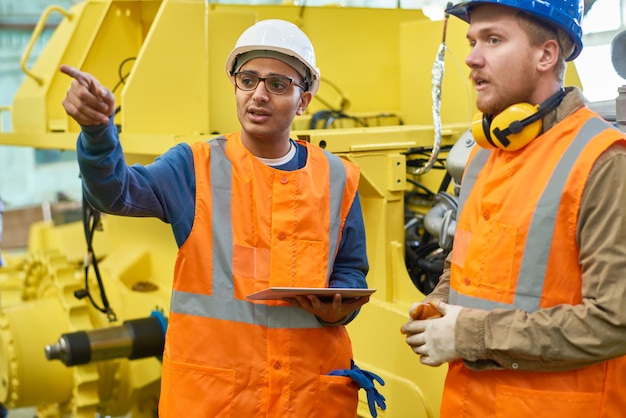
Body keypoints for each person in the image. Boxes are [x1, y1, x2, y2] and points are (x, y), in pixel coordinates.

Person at [61, 19, 385, 418]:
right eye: (248, 80)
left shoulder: (339, 179)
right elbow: (116, 192)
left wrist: (341, 307)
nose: (259, 95)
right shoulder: (195, 167)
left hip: (309, 401)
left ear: (304, 100)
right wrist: (97, 132)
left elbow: (352, 272)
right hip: (217, 403)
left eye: (278, 85)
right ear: (235, 85)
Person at [401, 0, 626, 417]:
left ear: (546, 55)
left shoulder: (603, 161)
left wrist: (467, 334)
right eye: (472, 41)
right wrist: (438, 305)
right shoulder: (486, 155)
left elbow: (614, 321)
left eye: (493, 39)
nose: (471, 57)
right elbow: (462, 266)